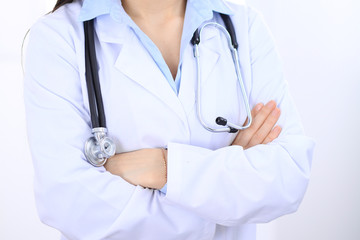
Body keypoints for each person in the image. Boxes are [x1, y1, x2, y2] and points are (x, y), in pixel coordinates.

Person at [23, 0, 315, 239]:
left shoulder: (245, 26)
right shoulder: (58, 39)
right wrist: (225, 193)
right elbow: (71, 202)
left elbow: (287, 179)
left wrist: (164, 168)